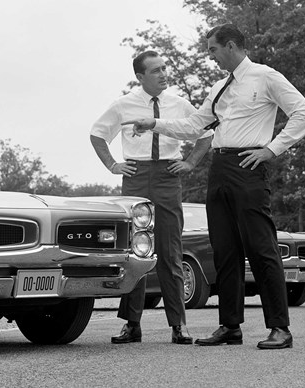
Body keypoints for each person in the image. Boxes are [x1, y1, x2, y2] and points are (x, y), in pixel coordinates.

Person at [123, 24, 305, 350]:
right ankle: (230, 326)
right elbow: (193, 125)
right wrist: (154, 123)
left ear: (230, 46)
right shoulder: (219, 87)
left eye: (212, 49)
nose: (210, 56)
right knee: (225, 250)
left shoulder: (266, 77)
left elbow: (303, 113)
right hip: (220, 168)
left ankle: (280, 328)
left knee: (261, 248)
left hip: (249, 166)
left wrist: (272, 149)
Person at [90, 51, 213, 345]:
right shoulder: (123, 105)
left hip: (167, 176)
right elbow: (97, 134)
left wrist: (190, 163)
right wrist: (112, 165)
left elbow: (206, 133)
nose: (163, 74)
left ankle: (179, 325)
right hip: (135, 176)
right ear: (140, 77)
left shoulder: (179, 104)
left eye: (164, 68)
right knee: (136, 252)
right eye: (156, 70)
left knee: (171, 251)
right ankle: (132, 324)